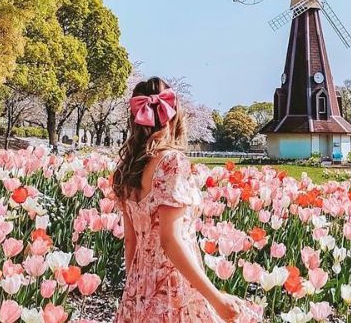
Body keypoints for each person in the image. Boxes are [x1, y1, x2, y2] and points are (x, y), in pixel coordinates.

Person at [111, 77, 261, 323]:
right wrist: (216, 299)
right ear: (174, 115)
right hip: (173, 289)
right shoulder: (170, 162)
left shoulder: (127, 169)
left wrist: (136, 290)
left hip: (138, 290)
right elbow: (170, 240)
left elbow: (130, 241)